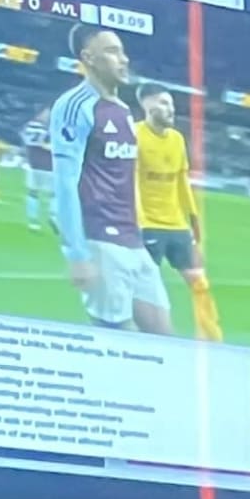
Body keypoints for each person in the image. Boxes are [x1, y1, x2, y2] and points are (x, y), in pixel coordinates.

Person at [42, 28, 167, 333]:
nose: (123, 59)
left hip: (133, 241)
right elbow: (65, 182)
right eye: (112, 52)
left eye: (122, 51)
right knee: (119, 344)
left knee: (165, 340)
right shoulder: (75, 106)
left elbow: (121, 179)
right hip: (100, 240)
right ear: (89, 58)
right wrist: (77, 255)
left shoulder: (123, 111)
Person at [133, 88, 220, 339]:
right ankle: (149, 339)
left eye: (171, 103)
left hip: (177, 226)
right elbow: (131, 182)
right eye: (163, 103)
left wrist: (193, 218)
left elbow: (182, 181)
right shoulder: (134, 135)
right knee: (145, 289)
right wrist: (137, 220)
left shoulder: (177, 139)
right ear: (148, 106)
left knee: (200, 284)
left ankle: (212, 340)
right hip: (148, 224)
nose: (171, 109)